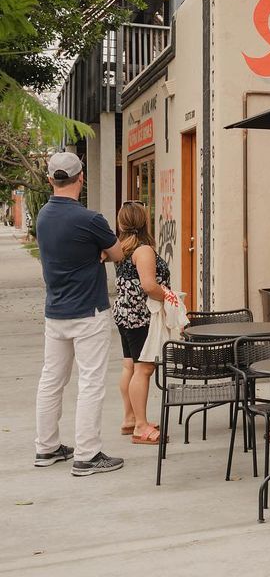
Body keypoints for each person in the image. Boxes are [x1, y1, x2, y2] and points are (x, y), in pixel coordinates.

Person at [34, 152, 126, 476]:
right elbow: (118, 253)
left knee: (51, 380)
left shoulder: (43, 217)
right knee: (90, 383)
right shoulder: (91, 220)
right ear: (81, 178)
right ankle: (87, 455)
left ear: (50, 180)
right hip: (89, 311)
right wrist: (100, 251)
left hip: (55, 312)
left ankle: (46, 448)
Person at [113, 201, 171, 446]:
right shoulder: (143, 249)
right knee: (144, 369)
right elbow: (148, 285)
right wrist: (169, 296)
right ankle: (140, 426)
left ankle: (129, 418)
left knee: (130, 366)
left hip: (124, 314)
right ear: (144, 221)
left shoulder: (121, 249)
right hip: (140, 316)